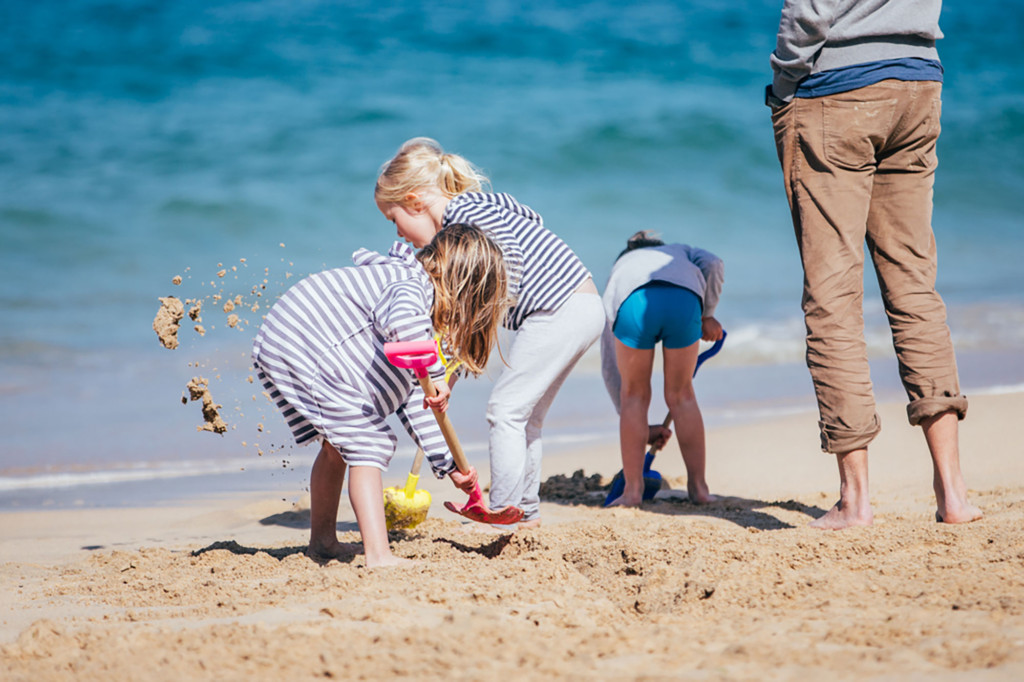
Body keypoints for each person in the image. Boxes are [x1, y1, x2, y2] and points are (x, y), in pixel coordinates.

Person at [767, 0, 982, 528]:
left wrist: (784, 82)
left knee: (832, 294)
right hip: (919, 78)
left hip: (836, 88)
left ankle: (855, 501)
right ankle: (953, 493)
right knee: (913, 283)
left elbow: (810, 11)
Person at [375, 137, 605, 529]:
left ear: (415, 201)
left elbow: (506, 259)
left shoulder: (465, 216)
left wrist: (482, 309)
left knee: (506, 411)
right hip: (580, 303)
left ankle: (501, 508)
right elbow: (529, 217)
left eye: (394, 220)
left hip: (558, 305)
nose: (398, 235)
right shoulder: (479, 208)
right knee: (526, 415)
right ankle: (524, 510)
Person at [251, 224, 509, 567]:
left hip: (291, 341)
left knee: (338, 446)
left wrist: (448, 465)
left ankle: (323, 542)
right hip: (305, 343)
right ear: (462, 287)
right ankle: (379, 555)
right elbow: (405, 322)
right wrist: (434, 373)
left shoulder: (413, 329)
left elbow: (418, 404)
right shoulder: (409, 286)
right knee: (368, 441)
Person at [599, 231, 724, 507]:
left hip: (634, 301)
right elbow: (714, 263)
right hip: (684, 299)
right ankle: (699, 489)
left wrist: (636, 420)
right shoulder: (680, 251)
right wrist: (707, 314)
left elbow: (609, 362)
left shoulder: (621, 271)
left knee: (634, 396)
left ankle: (632, 491)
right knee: (682, 396)